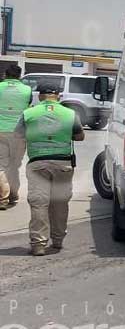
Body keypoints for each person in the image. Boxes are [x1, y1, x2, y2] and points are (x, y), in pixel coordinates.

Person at [14, 82, 84, 255]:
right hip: (64, 165)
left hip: (38, 164)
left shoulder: (29, 113)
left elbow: (18, 135)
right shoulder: (70, 113)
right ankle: (58, 241)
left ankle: (38, 244)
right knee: (60, 203)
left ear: (39, 96)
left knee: (39, 204)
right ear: (58, 96)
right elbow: (80, 136)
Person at [0, 65, 31, 211]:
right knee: (14, 166)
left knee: (2, 166)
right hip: (19, 133)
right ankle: (13, 195)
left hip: (0, 131)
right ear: (20, 75)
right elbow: (28, 106)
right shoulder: (27, 90)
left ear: (5, 74)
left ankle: (3, 198)